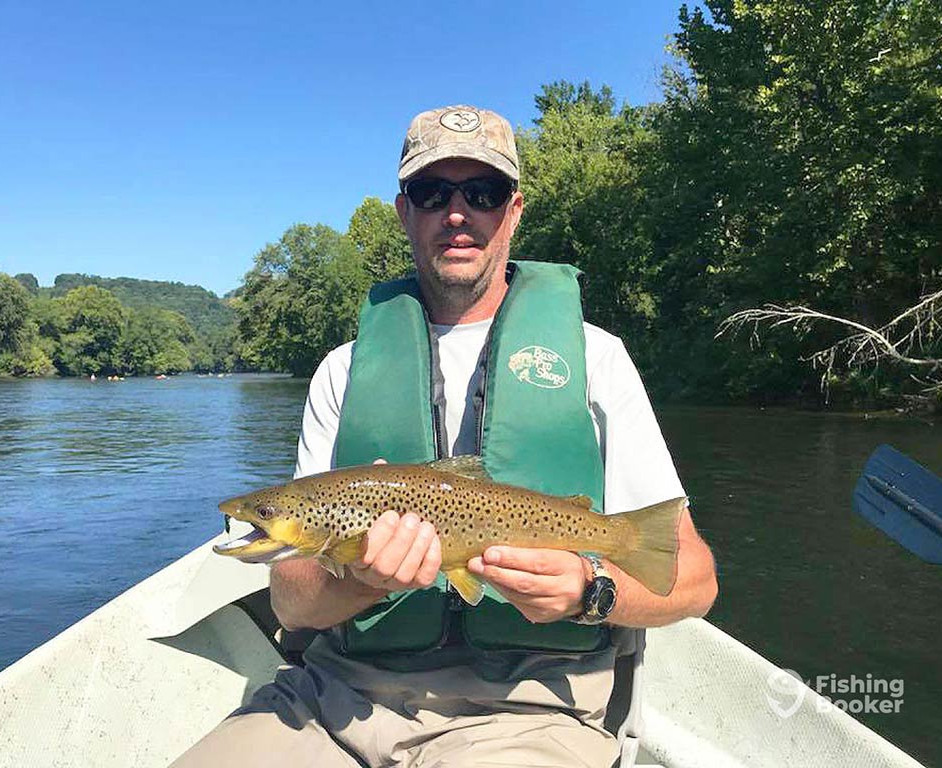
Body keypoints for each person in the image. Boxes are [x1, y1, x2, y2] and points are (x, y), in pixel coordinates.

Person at [172, 105, 717, 768]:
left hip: (531, 712)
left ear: (513, 211)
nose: (457, 214)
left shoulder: (595, 358)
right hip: (337, 699)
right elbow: (291, 601)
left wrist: (589, 589)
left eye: (481, 193)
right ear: (405, 213)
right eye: (433, 193)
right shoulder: (342, 371)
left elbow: (693, 580)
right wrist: (364, 579)